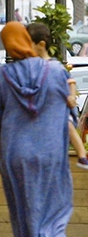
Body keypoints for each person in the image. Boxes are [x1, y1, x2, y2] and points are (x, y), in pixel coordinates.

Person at [0, 22, 73, 237]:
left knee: (24, 213)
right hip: (51, 151)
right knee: (57, 203)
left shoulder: (4, 75)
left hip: (16, 153)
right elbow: (67, 111)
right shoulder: (57, 71)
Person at [26, 22, 88, 169]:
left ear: (40, 44)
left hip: (56, 112)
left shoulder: (56, 67)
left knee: (68, 125)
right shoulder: (31, 67)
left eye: (28, 43)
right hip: (41, 114)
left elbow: (71, 82)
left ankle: (82, 155)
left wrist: (72, 97)